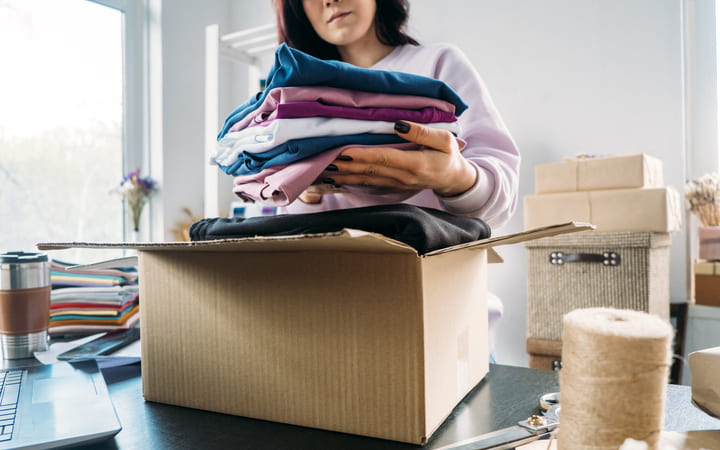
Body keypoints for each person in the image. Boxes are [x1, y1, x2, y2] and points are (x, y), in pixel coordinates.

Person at [273, 0, 520, 360]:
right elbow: (293, 248)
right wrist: (304, 192)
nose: (329, 0)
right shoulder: (297, 99)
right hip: (346, 335)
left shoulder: (438, 66)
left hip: (451, 332)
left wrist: (454, 177)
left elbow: (501, 202)